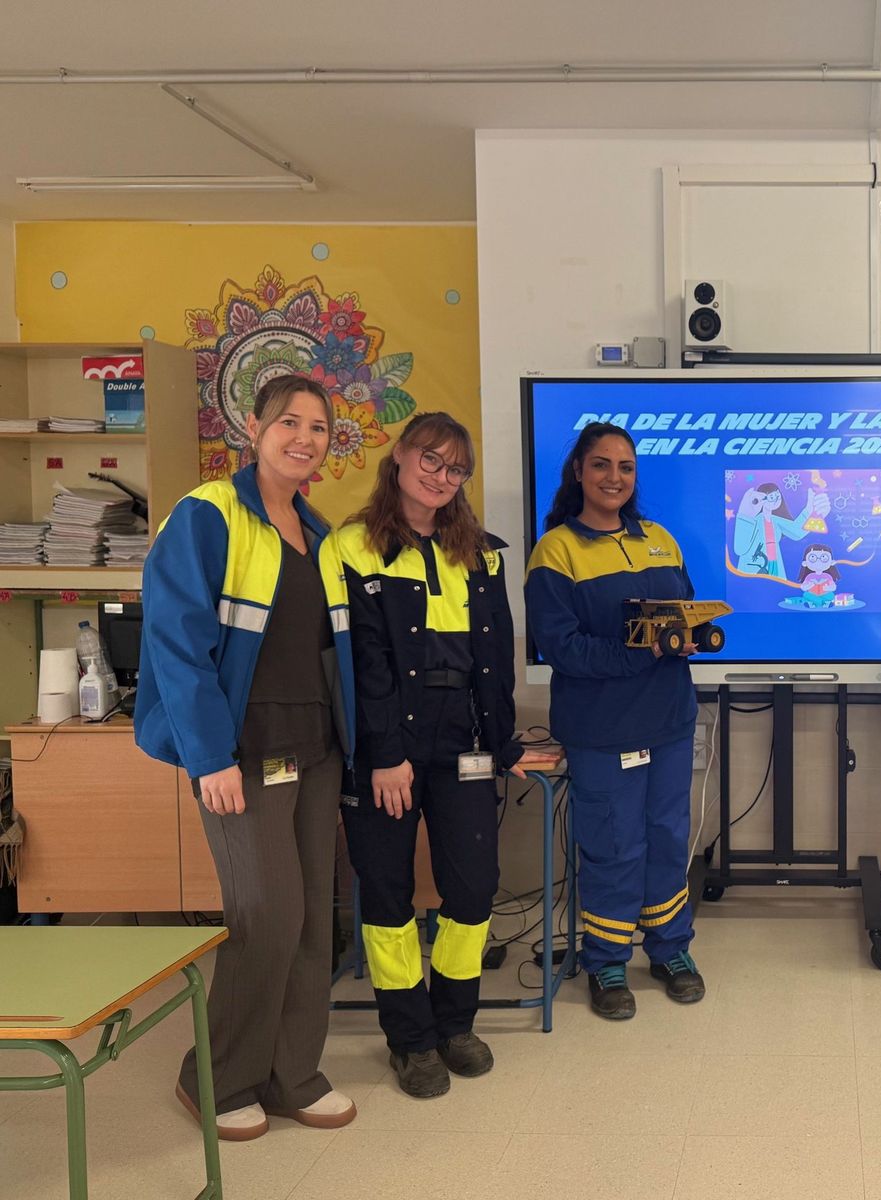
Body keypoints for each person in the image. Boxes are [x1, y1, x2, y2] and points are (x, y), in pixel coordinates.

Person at [136, 374, 359, 1140]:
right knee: (266, 915)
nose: (305, 437)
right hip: (242, 755)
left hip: (316, 753)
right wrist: (208, 758)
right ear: (254, 430)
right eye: (289, 422)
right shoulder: (208, 515)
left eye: (319, 427)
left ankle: (294, 1074)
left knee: (312, 921)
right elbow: (176, 644)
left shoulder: (320, 534)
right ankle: (217, 1078)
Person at [336, 412, 540, 1099]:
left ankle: (455, 1025)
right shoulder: (352, 547)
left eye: (456, 469)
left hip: (464, 742)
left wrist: (503, 743)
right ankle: (410, 1038)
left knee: (473, 888)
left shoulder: (482, 553)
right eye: (431, 459)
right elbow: (364, 662)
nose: (441, 477)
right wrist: (385, 753)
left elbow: (495, 658)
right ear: (399, 455)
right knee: (387, 894)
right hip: (387, 744)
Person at [526, 421, 705, 1019]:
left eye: (625, 467)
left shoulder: (660, 539)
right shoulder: (556, 551)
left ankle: (671, 949)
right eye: (601, 465)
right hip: (602, 730)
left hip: (669, 721)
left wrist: (687, 634)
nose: (614, 477)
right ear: (578, 471)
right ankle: (605, 960)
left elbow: (682, 608)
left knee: (668, 838)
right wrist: (642, 652)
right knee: (613, 845)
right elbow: (563, 649)